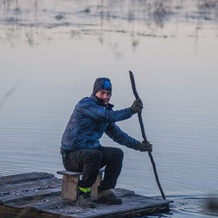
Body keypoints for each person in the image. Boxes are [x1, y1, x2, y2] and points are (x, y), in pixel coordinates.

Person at [60, 77, 152, 207]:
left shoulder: (104, 112)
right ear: (95, 92)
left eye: (108, 94)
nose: (106, 96)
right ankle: (83, 195)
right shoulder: (85, 104)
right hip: (72, 156)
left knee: (116, 154)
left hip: (90, 156)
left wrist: (139, 146)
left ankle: (104, 192)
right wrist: (131, 111)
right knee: (94, 154)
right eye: (102, 92)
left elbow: (118, 135)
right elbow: (107, 116)